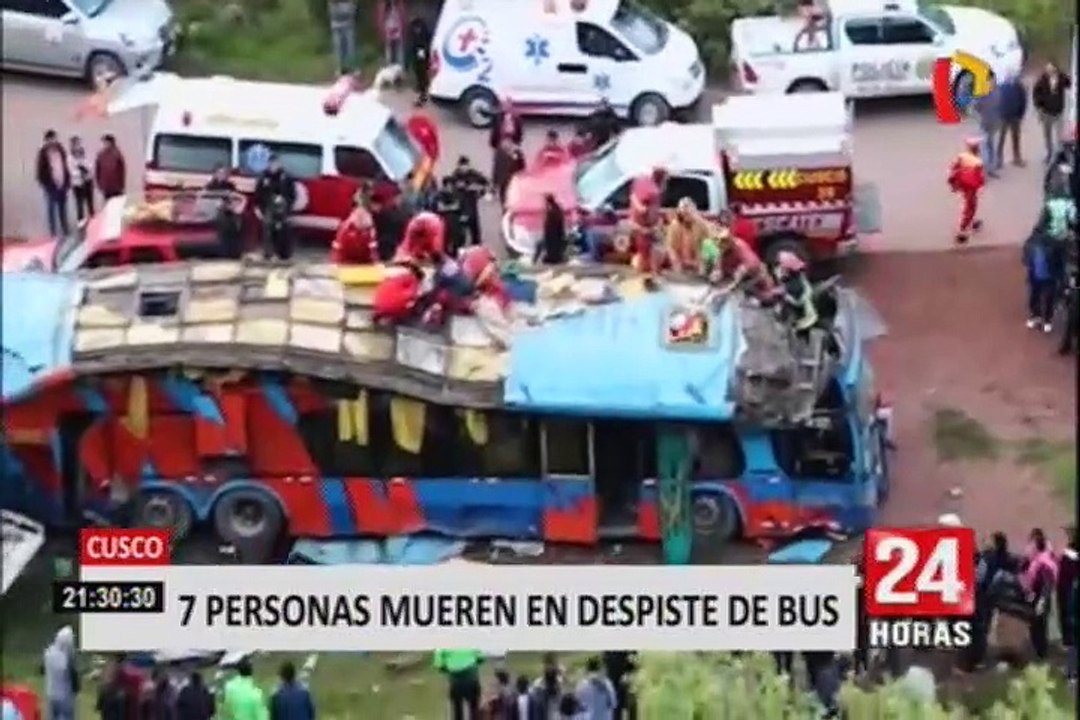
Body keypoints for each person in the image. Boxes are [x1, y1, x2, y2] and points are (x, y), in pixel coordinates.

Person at [1021, 528, 1059, 660]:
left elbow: (1047, 584)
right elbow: (1023, 566)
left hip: (1041, 597)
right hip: (1034, 596)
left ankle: (1041, 653)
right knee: (1034, 625)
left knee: (1040, 625)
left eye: (1032, 544)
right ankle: (1038, 650)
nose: (1029, 547)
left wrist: (1042, 601)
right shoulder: (1034, 560)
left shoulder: (1044, 563)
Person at [253, 154, 296, 260]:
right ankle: (268, 253)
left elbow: (292, 194)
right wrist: (258, 208)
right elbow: (258, 194)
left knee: (283, 229)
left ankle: (283, 254)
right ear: (268, 164)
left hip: (283, 209)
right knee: (268, 228)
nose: (273, 166)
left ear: (279, 164)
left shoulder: (286, 177)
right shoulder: (263, 177)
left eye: (275, 164)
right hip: (268, 208)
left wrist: (287, 206)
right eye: (271, 164)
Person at [627, 167, 668, 275]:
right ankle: (650, 275)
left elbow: (633, 198)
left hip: (637, 226)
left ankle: (645, 274)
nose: (666, 183)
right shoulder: (654, 193)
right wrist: (650, 228)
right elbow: (648, 212)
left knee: (644, 254)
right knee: (650, 254)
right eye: (665, 180)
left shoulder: (640, 183)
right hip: (644, 230)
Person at [1032, 60, 1072, 163]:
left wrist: (1067, 77)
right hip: (1046, 113)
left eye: (1051, 68)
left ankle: (1059, 155)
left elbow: (1069, 85)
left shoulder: (1061, 78)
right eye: (1047, 68)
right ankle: (1049, 154)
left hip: (1058, 112)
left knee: (1059, 135)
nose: (1049, 70)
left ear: (1055, 68)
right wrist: (1039, 106)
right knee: (1047, 135)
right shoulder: (1042, 80)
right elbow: (1035, 93)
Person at [947, 137, 986, 244]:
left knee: (969, 204)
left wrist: (953, 184)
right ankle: (962, 231)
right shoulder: (978, 162)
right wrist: (981, 185)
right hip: (971, 187)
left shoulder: (961, 156)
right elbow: (979, 178)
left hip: (962, 185)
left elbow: (953, 169)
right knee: (970, 207)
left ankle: (972, 222)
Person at [36, 130, 71, 238]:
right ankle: (53, 233)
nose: (53, 141)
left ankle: (65, 231)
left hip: (62, 184)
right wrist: (46, 184)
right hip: (51, 186)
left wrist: (67, 182)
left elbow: (65, 166)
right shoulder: (43, 153)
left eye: (54, 138)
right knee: (51, 209)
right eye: (50, 139)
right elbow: (40, 171)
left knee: (63, 209)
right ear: (46, 140)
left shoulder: (60, 150)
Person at [773, 251, 817, 333]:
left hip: (798, 298)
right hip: (796, 295)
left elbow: (780, 290)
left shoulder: (793, 283)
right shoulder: (792, 277)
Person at [432, 650, 483, 720]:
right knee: (474, 709)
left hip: (455, 680)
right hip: (471, 677)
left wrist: (449, 668)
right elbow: (481, 658)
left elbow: (438, 665)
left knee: (457, 710)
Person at [449, 156, 488, 247]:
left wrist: (478, 189)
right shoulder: (455, 176)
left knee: (474, 226)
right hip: (461, 204)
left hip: (471, 202)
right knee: (461, 226)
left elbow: (485, 184)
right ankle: (460, 245)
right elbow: (451, 188)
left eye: (466, 166)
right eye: (462, 166)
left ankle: (476, 244)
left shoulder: (474, 174)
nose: (464, 168)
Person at [1022, 231, 1056, 333]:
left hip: (1049, 277)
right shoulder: (1031, 244)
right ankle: (1036, 316)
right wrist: (1028, 262)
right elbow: (1025, 258)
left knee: (1048, 298)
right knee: (1034, 296)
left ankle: (1047, 320)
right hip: (1035, 275)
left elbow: (1059, 261)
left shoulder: (1053, 245)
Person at [331, 191, 378, 264]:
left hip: (364, 263)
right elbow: (337, 249)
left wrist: (375, 264)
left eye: (364, 214)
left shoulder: (370, 229)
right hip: (346, 263)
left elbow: (373, 250)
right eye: (359, 215)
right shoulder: (345, 228)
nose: (362, 217)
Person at [665, 197, 709, 273]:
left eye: (689, 212)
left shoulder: (702, 225)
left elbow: (708, 245)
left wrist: (700, 263)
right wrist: (677, 263)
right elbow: (671, 248)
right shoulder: (674, 225)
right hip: (680, 260)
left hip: (698, 260)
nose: (686, 215)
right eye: (684, 212)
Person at [42, 626, 78, 720]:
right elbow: (71, 673)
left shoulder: (48, 652)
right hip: (64, 695)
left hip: (50, 693)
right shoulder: (66, 656)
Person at [1057, 528, 1078, 679]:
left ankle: (1072, 672)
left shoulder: (1069, 555)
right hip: (1069, 592)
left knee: (1072, 639)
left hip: (1069, 594)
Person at [996, 72, 1027, 167]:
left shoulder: (1019, 87)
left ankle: (1017, 158)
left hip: (1015, 116)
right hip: (1003, 116)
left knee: (1016, 138)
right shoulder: (1001, 86)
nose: (1009, 78)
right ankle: (998, 159)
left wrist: (1021, 114)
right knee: (1001, 138)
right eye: (1008, 76)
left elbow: (1023, 101)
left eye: (1011, 76)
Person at [973, 85, 1002, 177]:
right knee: (991, 147)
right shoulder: (997, 94)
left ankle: (984, 172)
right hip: (994, 125)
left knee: (984, 149)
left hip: (985, 125)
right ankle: (991, 170)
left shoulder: (981, 97)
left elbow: (975, 109)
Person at [601, 652, 635, 720]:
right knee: (615, 707)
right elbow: (604, 658)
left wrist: (628, 673)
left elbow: (633, 657)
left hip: (623, 678)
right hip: (612, 677)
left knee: (628, 704)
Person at [407, 15, 432, 106]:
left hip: (422, 52)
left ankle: (423, 93)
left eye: (416, 27)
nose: (415, 29)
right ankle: (422, 90)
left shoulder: (424, 33)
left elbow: (425, 45)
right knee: (419, 71)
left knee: (422, 72)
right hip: (418, 53)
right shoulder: (414, 34)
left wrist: (422, 52)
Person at [535, 194, 567, 265]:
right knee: (551, 246)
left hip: (553, 233)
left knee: (551, 246)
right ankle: (554, 257)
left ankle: (553, 258)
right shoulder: (555, 208)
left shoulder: (552, 209)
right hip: (554, 233)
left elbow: (553, 222)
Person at [328, 0, 358, 75]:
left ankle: (351, 68)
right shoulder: (333, 3)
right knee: (339, 48)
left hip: (348, 26)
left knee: (350, 48)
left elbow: (352, 12)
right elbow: (334, 13)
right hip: (337, 27)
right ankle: (341, 68)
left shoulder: (349, 3)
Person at [492, 139, 526, 207]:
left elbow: (522, 166)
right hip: (505, 181)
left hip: (512, 180)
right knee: (505, 199)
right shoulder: (499, 153)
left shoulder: (517, 153)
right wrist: (495, 181)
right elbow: (496, 167)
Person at [68, 136, 94, 222]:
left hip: (88, 181)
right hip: (77, 184)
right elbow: (71, 171)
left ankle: (92, 218)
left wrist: (86, 169)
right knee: (79, 203)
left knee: (90, 202)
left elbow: (91, 165)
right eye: (75, 144)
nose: (78, 146)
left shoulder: (85, 154)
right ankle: (81, 220)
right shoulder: (70, 157)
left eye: (78, 143)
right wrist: (80, 173)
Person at [94, 134, 126, 200]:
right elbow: (97, 170)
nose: (105, 144)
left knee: (118, 204)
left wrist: (121, 184)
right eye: (104, 142)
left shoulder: (117, 154)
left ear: (111, 142)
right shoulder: (101, 155)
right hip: (106, 186)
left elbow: (122, 170)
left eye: (106, 142)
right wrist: (99, 183)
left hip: (116, 186)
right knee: (108, 205)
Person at [376, 0, 405, 68]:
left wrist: (402, 26)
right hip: (388, 28)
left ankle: (400, 67)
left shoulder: (398, 4)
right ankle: (389, 67)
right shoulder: (384, 4)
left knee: (399, 50)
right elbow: (381, 17)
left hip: (397, 27)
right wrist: (382, 29)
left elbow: (402, 15)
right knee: (389, 50)